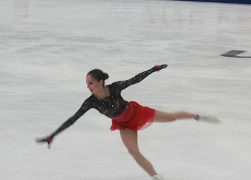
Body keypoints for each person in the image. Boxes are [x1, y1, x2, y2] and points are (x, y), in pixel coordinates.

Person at [35, 64, 221, 180]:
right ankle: (156, 177)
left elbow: (135, 80)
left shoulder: (115, 88)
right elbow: (72, 120)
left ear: (100, 82)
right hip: (123, 124)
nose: (88, 86)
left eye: (90, 83)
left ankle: (198, 117)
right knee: (133, 151)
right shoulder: (90, 102)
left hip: (138, 113)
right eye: (87, 84)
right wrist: (53, 135)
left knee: (171, 117)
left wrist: (153, 69)